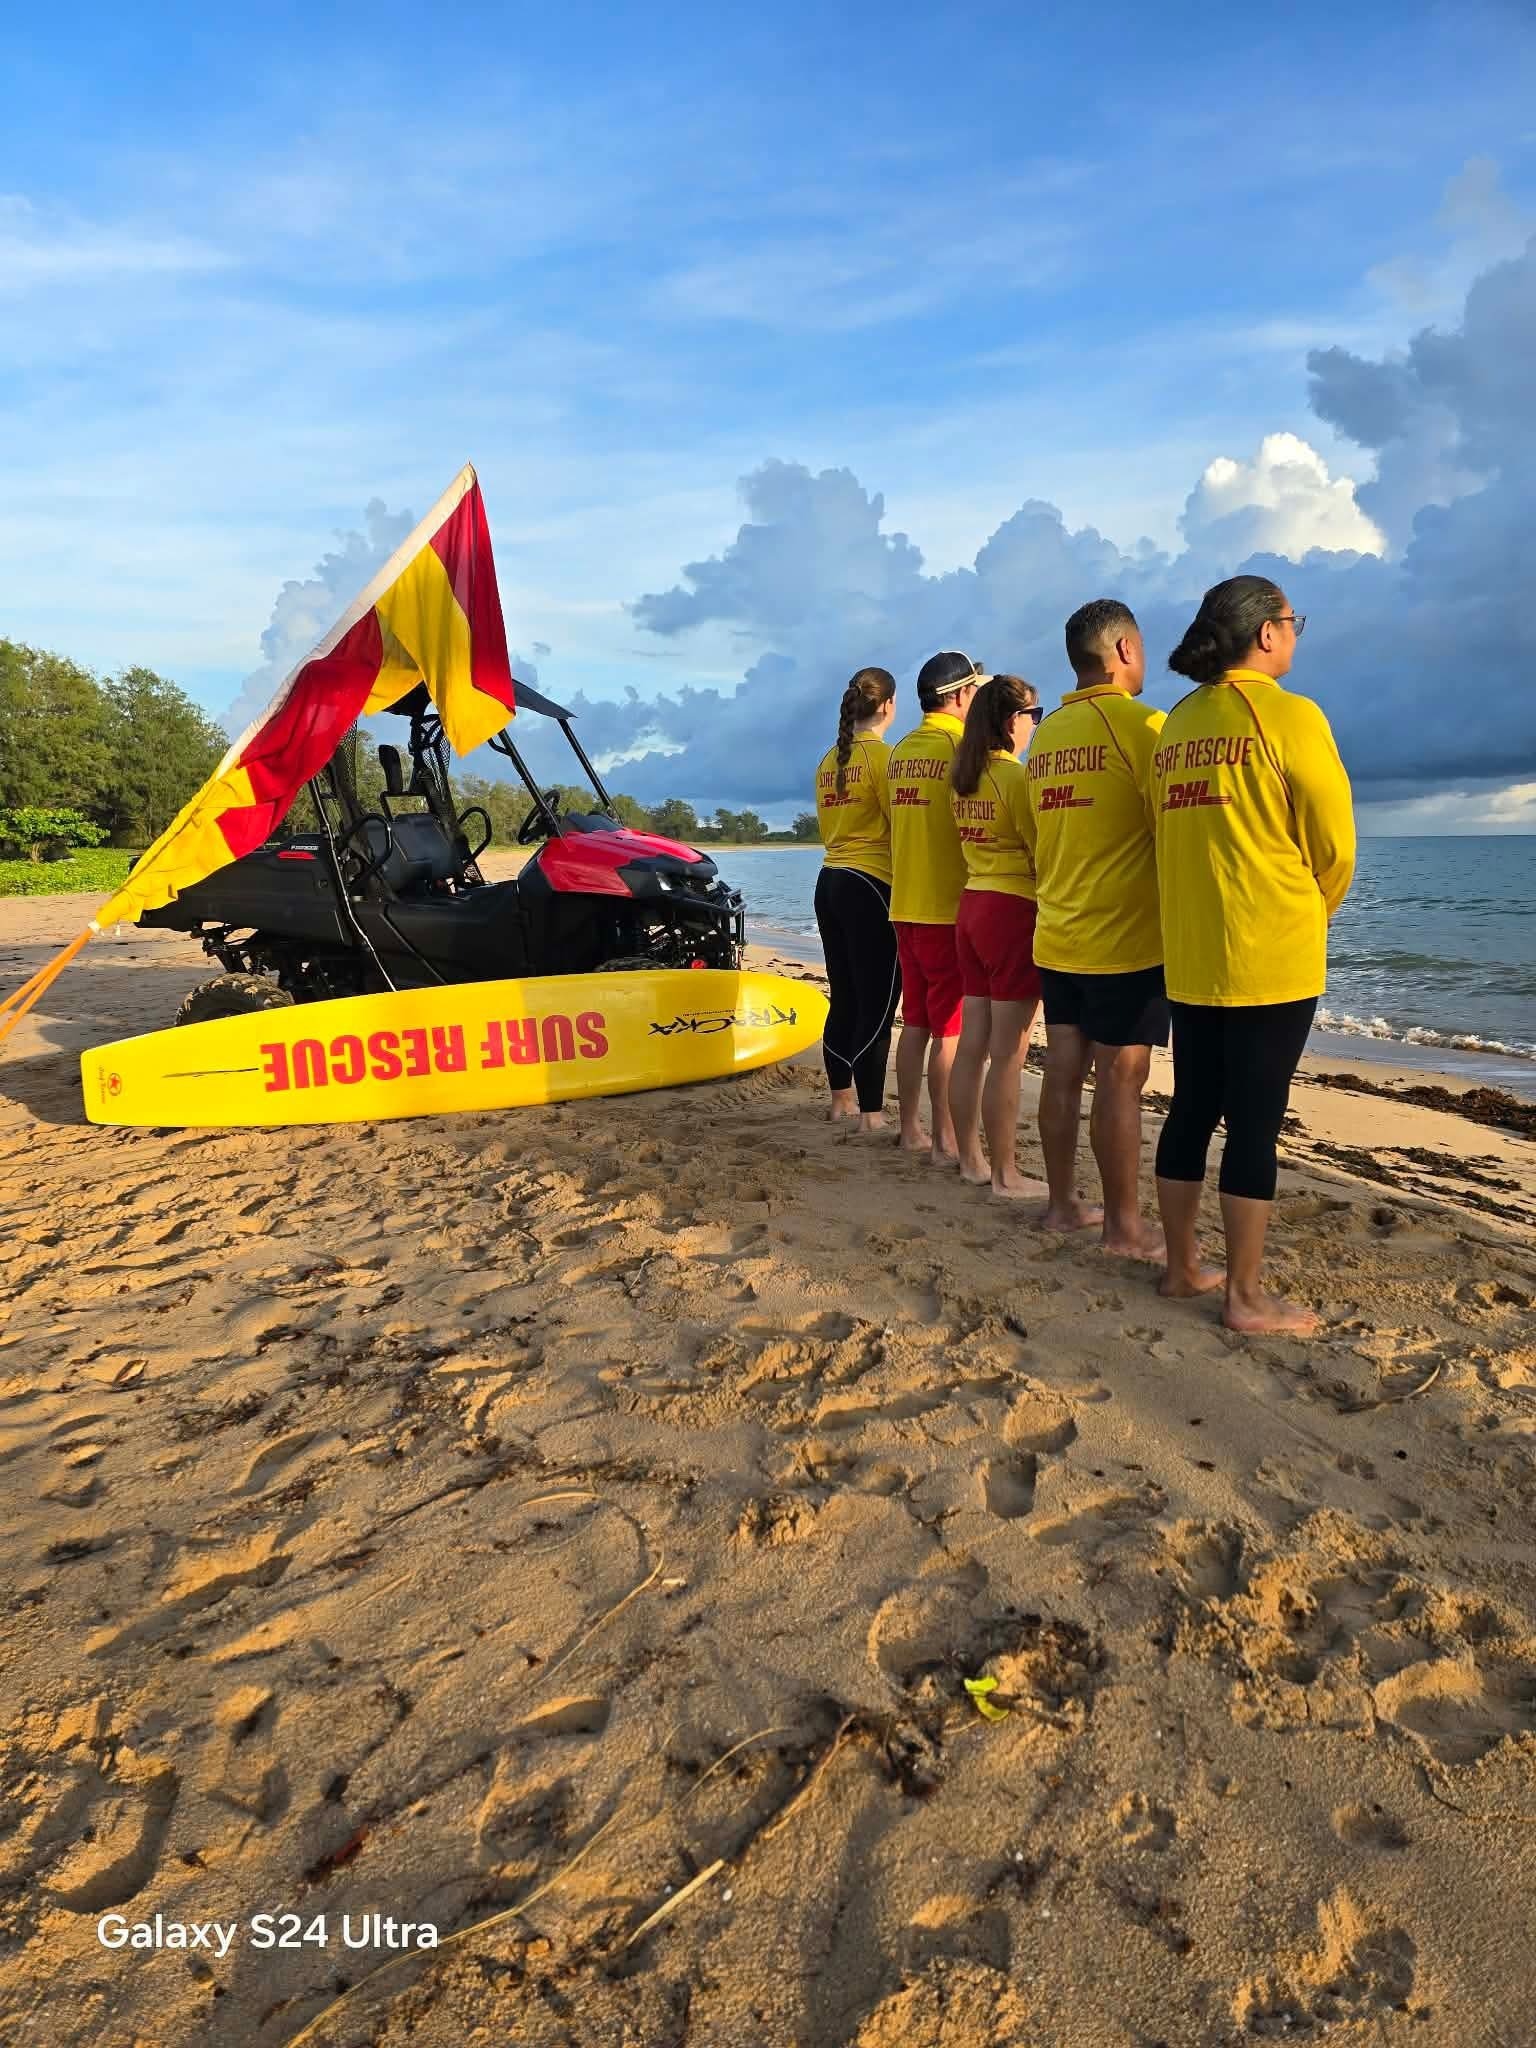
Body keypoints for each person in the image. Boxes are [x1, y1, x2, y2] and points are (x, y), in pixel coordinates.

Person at [1152, 574, 1355, 1335]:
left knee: (1192, 1109)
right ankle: (1243, 1295)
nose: (1296, 634)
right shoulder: (1291, 716)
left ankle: (1180, 1270)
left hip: (1194, 954)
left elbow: (1161, 832)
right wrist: (1312, 910)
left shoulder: (1175, 723)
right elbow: (1334, 847)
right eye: (1293, 622)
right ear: (1267, 633)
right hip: (1270, 953)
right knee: (1255, 1126)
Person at [1023, 600, 1167, 1259]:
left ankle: (1061, 1206)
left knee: (1062, 1071)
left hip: (1057, 930)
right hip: (1125, 939)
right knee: (1119, 1079)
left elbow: (1035, 833)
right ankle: (1123, 1227)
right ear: (1125, 651)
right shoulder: (1143, 725)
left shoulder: (1046, 736)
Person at [948, 675, 1048, 1197]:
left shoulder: (965, 775)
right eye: (1034, 716)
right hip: (1011, 910)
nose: (1035, 726)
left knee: (973, 1045)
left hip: (973, 905)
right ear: (1013, 722)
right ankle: (1006, 1173)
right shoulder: (1014, 778)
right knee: (1010, 1052)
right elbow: (1041, 852)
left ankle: (970, 1158)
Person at [887, 651, 987, 1162]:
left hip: (904, 904)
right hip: (945, 908)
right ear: (962, 695)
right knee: (949, 1032)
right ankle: (945, 1137)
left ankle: (910, 1129)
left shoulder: (901, 749)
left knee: (917, 1024)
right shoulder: (963, 749)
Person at [813, 667, 901, 1133]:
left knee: (844, 995)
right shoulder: (885, 759)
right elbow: (900, 829)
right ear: (888, 705)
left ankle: (840, 1098)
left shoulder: (830, 759)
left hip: (829, 881)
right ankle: (870, 1112)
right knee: (879, 1002)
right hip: (870, 883)